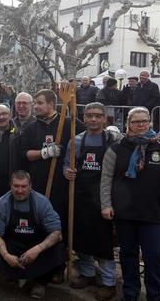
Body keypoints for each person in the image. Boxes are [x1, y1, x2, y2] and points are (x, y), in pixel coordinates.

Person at [100, 107, 160, 301]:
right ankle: (130, 293)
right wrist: (106, 205)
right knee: (128, 255)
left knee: (156, 256)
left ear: (149, 123)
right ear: (128, 125)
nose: (140, 125)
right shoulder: (115, 149)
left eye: (144, 121)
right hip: (125, 213)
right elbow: (106, 179)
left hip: (153, 212)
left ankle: (155, 294)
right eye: (135, 122)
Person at [63, 103, 120, 300]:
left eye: (97, 116)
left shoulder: (114, 140)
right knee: (81, 238)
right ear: (84, 118)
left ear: (105, 118)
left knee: (103, 243)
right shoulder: (76, 142)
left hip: (103, 199)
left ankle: (108, 282)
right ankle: (87, 274)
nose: (93, 119)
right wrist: (67, 171)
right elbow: (67, 165)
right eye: (89, 116)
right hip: (81, 197)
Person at [20, 88, 73, 282]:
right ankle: (39, 262)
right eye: (35, 103)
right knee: (40, 223)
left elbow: (87, 138)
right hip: (39, 184)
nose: (36, 106)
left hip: (61, 184)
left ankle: (59, 265)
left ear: (52, 104)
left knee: (59, 224)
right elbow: (24, 153)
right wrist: (45, 153)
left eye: (39, 103)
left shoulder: (66, 124)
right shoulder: (32, 127)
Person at [0, 171, 64, 299]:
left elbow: (57, 232)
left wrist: (38, 249)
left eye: (23, 186)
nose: (20, 190)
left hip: (36, 244)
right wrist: (7, 256)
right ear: (10, 185)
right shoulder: (1, 204)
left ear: (30, 185)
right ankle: (14, 276)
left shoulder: (42, 202)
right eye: (16, 186)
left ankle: (39, 283)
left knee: (58, 250)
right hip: (14, 244)